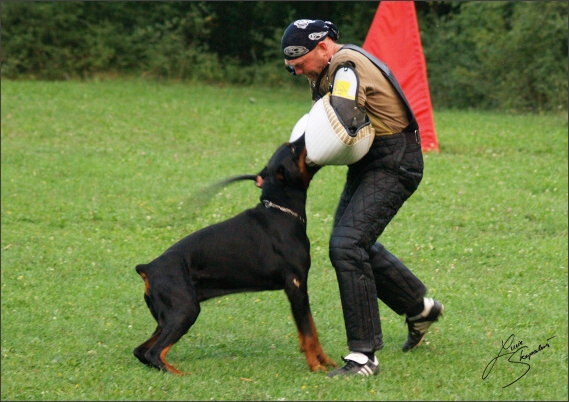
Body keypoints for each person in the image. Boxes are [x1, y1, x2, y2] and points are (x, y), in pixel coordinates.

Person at [258, 19, 444, 378]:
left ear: (324, 47)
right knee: (352, 242)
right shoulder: (324, 70)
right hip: (372, 161)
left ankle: (364, 357)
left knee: (347, 246)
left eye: (299, 61)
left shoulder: (346, 68)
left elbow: (337, 127)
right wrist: (275, 170)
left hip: (396, 161)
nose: (295, 70)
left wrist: (293, 167)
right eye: (290, 65)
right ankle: (419, 308)